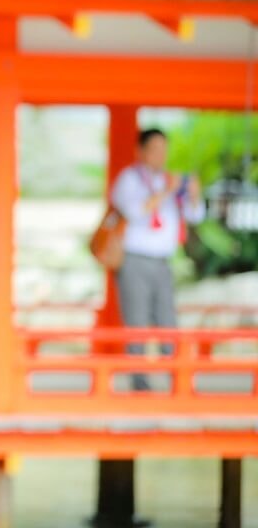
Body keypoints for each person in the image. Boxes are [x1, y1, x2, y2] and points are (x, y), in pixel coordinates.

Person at [109, 127, 205, 390]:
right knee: (136, 321)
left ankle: (178, 380)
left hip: (163, 260)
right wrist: (165, 191)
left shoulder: (171, 180)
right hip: (135, 260)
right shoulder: (130, 179)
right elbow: (134, 212)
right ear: (140, 151)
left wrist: (193, 193)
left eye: (164, 149)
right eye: (154, 149)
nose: (160, 155)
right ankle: (139, 382)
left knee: (168, 319)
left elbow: (195, 216)